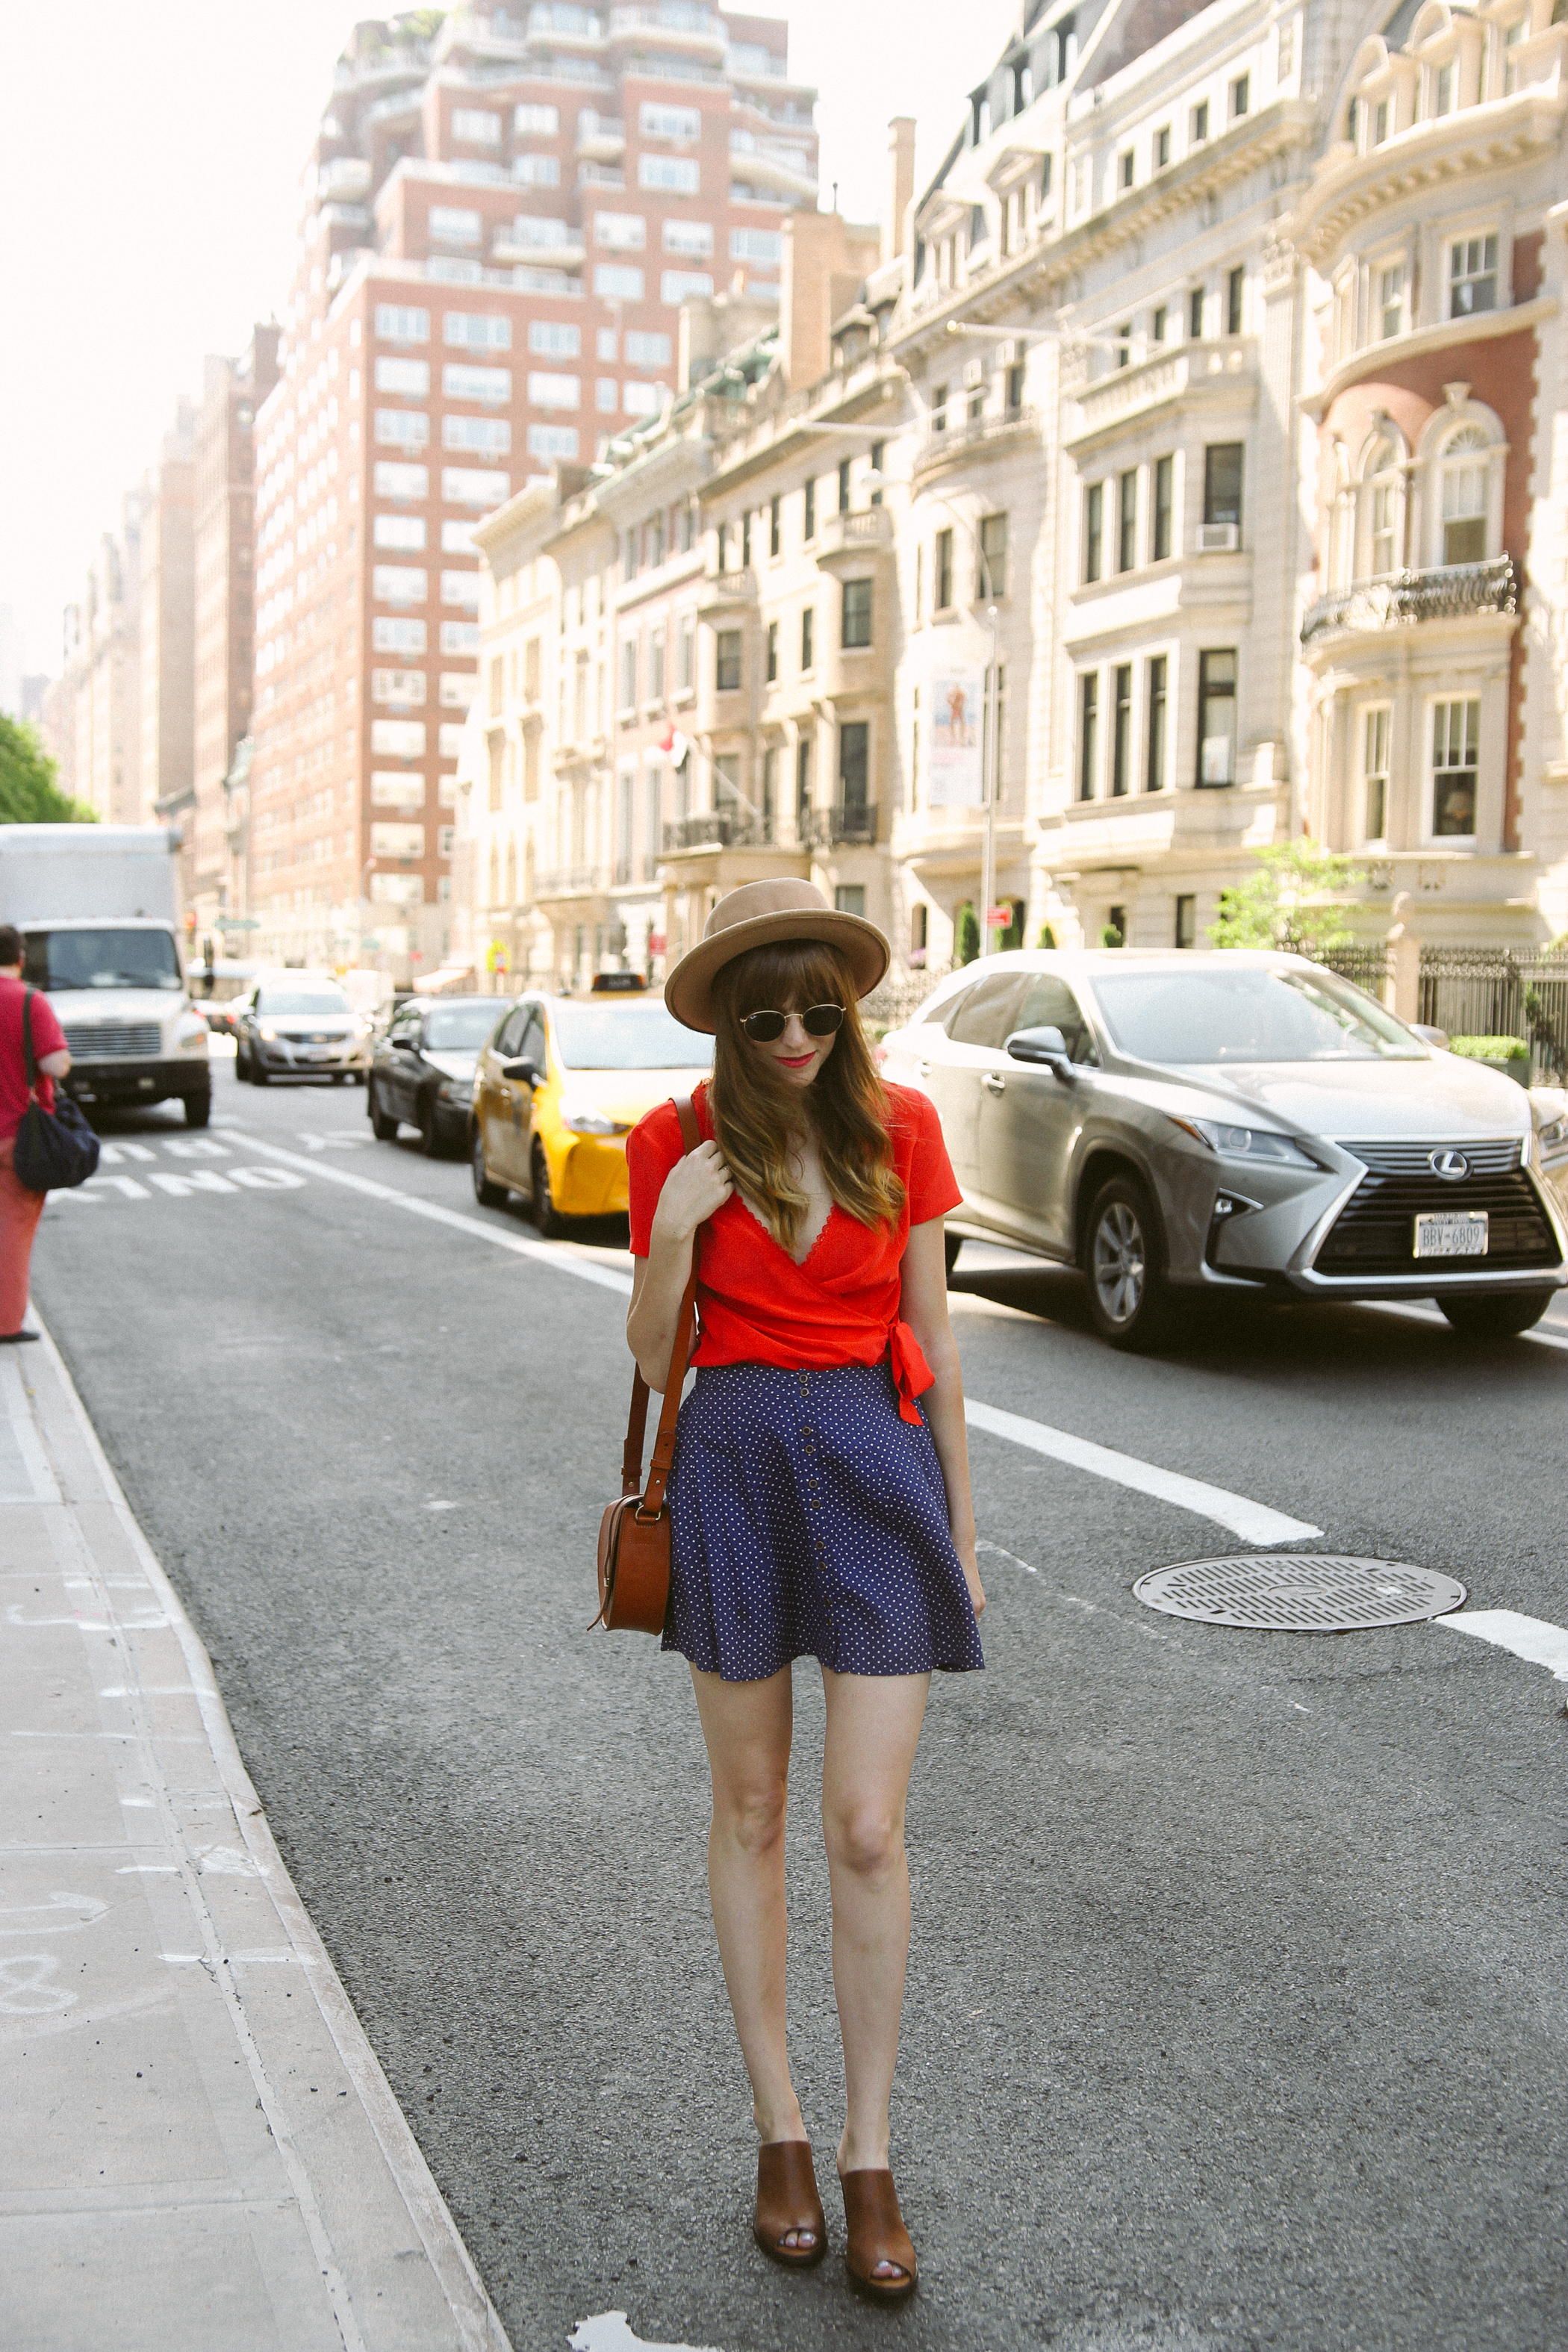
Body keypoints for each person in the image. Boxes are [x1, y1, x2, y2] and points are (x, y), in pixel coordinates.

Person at [625, 879, 985, 2301]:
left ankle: (869, 2150)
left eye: (816, 1010)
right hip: (733, 1463)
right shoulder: (675, 1140)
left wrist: (961, 1530)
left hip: (876, 1467)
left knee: (867, 1823)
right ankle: (779, 2129)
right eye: (763, 1013)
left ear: (848, 1009)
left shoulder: (903, 1128)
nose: (791, 1036)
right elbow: (657, 1362)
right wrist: (668, 1235)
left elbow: (941, 1343)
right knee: (756, 1808)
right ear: (722, 1017)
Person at [0, 924, 71, 1343]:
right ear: (21, 957)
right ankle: (7, 1323)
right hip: (16, 1139)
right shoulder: (29, 1001)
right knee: (12, 1233)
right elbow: (55, 1065)